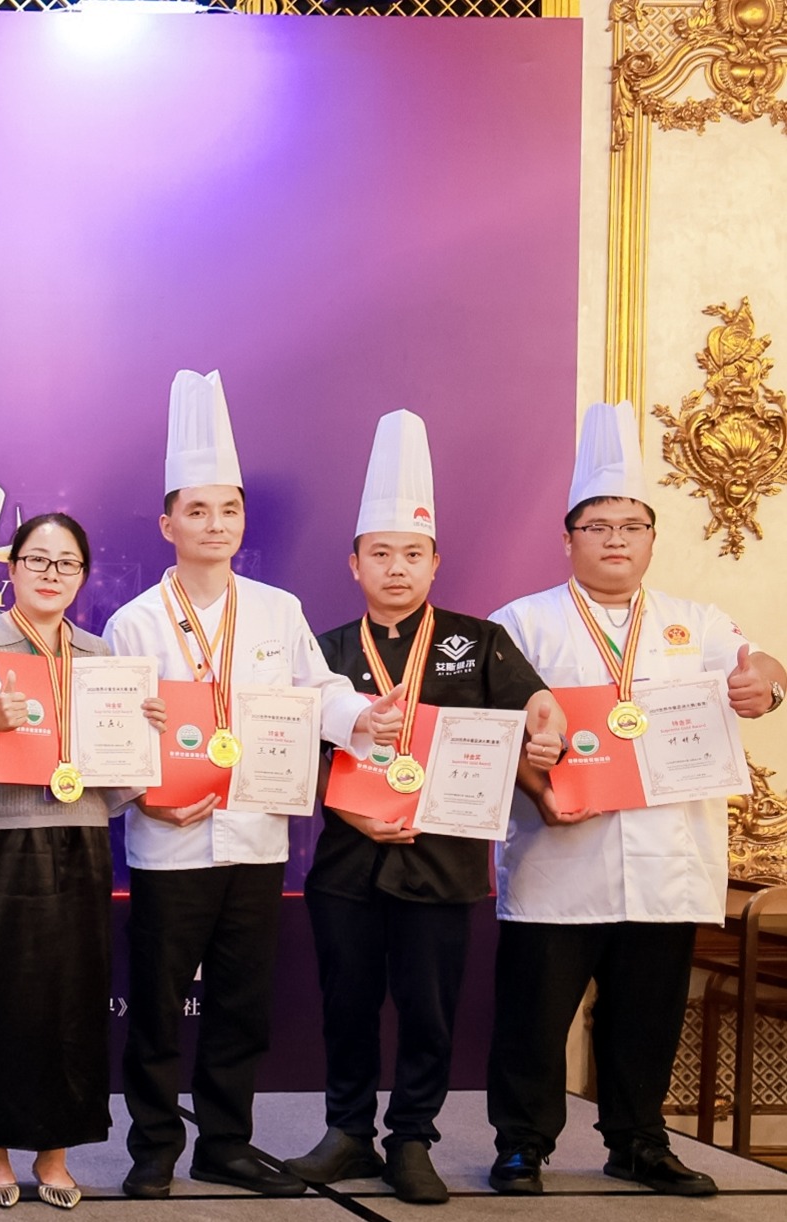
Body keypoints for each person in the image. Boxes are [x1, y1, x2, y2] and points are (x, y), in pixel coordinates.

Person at [483, 401, 785, 1197]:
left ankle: (638, 1142)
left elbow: (762, 668)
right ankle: (520, 1144)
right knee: (533, 1018)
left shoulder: (696, 621)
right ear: (567, 539)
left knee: (646, 1014)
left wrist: (768, 686)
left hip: (665, 858)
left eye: (630, 525)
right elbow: (493, 727)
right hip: (560, 856)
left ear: (651, 537)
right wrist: (532, 772)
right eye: (597, 526)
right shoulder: (519, 622)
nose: (615, 538)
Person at [104, 371, 385, 1201]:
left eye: (227, 509)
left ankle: (223, 1141)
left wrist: (363, 718)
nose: (214, 524)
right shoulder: (135, 622)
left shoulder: (277, 609)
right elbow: (113, 733)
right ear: (167, 524)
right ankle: (152, 1147)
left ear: (241, 519)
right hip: (169, 841)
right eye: (196, 510)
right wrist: (143, 795)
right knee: (156, 1008)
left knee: (240, 1004)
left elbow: (320, 693)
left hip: (257, 838)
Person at [285, 411, 559, 1206]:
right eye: (380, 555)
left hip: (443, 869)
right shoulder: (321, 648)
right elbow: (291, 755)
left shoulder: (478, 644)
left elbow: (534, 710)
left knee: (428, 1014)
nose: (396, 569)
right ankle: (346, 1134)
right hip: (346, 864)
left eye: (411, 554)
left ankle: (411, 1141)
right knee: (346, 1006)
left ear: (435, 561)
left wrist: (546, 727)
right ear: (354, 563)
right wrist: (352, 812)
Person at [0, 512, 158, 1211]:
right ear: (10, 569)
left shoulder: (102, 660)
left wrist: (139, 734)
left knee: (71, 1000)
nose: (49, 575)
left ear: (81, 576)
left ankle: (55, 1154)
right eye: (35, 561)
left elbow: (123, 779)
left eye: (64, 564)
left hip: (78, 836)